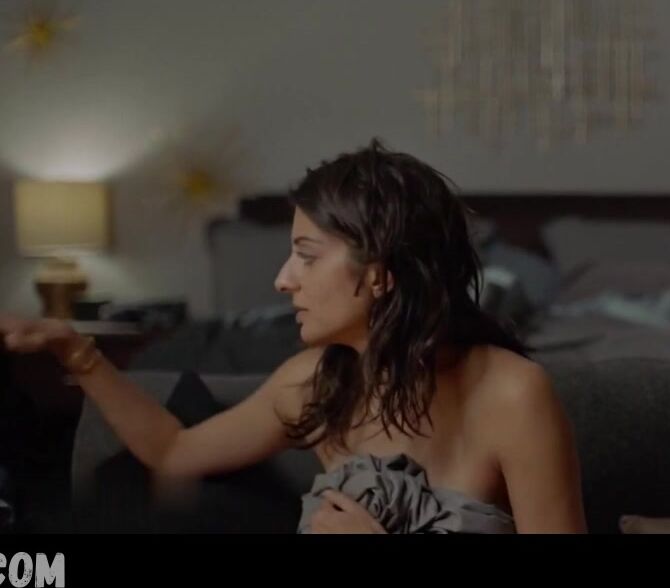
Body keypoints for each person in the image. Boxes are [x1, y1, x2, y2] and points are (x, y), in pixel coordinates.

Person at [0, 140, 587, 534]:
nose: (283, 280)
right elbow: (174, 452)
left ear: (379, 274)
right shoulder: (317, 381)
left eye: (307, 256)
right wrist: (74, 349)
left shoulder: (512, 394)